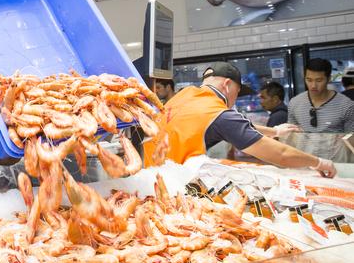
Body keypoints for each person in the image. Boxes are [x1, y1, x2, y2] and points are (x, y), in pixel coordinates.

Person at [145, 62, 337, 178]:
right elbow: (281, 155)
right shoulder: (218, 113)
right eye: (237, 92)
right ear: (227, 85)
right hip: (170, 189)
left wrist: (276, 131)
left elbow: (240, 124)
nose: (235, 99)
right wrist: (319, 162)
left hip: (148, 176)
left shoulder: (185, 95)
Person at [288, 58, 354, 132]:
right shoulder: (294, 103)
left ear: (329, 79)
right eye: (309, 80)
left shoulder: (346, 105)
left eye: (319, 80)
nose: (313, 85)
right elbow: (291, 135)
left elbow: (351, 139)